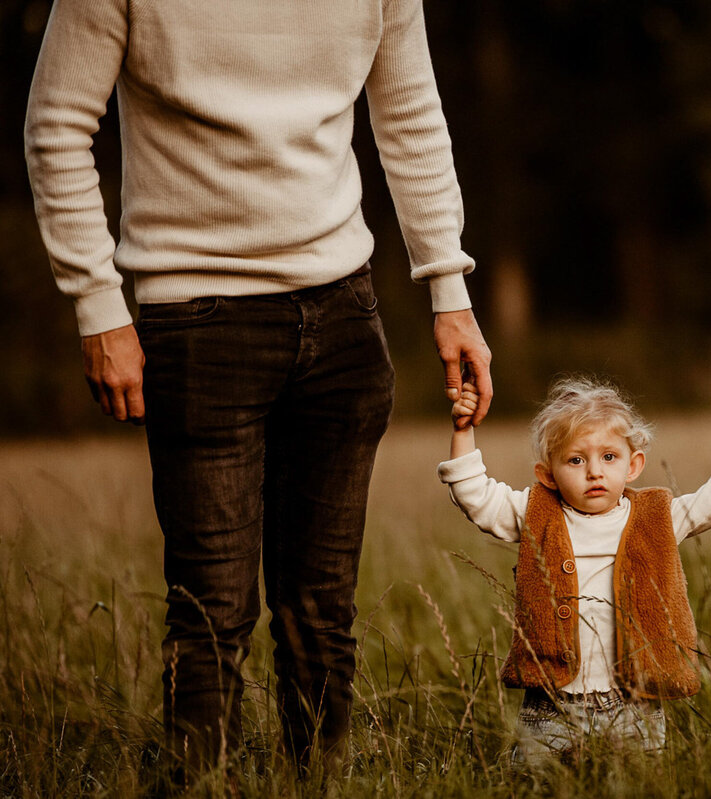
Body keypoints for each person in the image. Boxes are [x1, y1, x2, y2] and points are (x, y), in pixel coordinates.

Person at [24, 0, 492, 776]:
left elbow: (410, 113)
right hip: (196, 320)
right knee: (212, 613)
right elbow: (57, 126)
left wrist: (450, 289)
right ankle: (195, 782)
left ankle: (319, 783)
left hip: (346, 309)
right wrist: (98, 305)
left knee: (323, 612)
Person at [439, 376, 711, 763]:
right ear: (547, 474)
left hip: (634, 703)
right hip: (551, 705)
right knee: (537, 785)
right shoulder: (536, 514)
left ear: (633, 465)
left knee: (642, 783)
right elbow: (476, 497)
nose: (594, 471)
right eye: (576, 460)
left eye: (609, 457)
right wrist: (463, 430)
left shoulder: (655, 518)